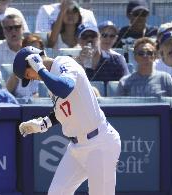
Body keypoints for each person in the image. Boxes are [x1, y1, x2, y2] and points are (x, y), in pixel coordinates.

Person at [13, 46, 121, 195]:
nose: (31, 78)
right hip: (76, 148)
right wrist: (44, 123)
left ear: (33, 61)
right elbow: (65, 110)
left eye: (27, 73)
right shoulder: (50, 79)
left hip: (99, 144)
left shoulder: (64, 63)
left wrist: (39, 69)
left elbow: (65, 88)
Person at [5, 34, 43, 98]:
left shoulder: (47, 71)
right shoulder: (16, 74)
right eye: (30, 50)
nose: (33, 54)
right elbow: (6, 95)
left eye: (36, 50)